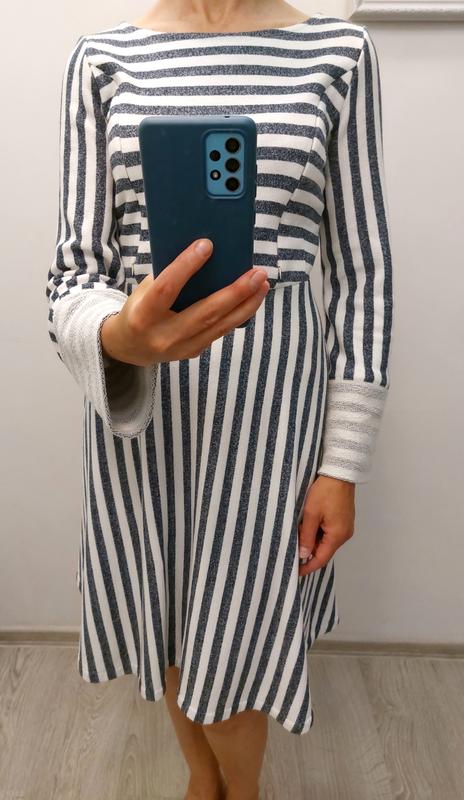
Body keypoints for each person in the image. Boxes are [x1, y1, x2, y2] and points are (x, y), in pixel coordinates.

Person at [45, 2, 393, 798]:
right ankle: (203, 781)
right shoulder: (102, 61)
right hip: (144, 417)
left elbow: (364, 275)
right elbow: (74, 274)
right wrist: (121, 336)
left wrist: (341, 463)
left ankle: (242, 792)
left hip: (271, 422)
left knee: (237, 637)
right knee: (172, 618)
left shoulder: (339, 53)